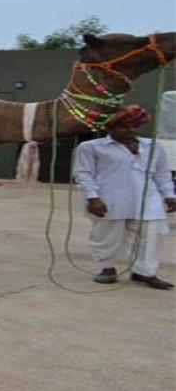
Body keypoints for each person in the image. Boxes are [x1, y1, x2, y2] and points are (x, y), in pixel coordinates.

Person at [73, 105, 176, 290]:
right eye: (123, 126)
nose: (130, 130)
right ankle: (107, 268)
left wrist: (169, 195)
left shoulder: (152, 146)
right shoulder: (91, 147)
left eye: (133, 126)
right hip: (109, 199)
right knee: (106, 236)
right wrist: (92, 198)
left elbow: (162, 173)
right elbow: (83, 174)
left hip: (147, 199)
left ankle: (144, 273)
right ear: (109, 127)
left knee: (151, 235)